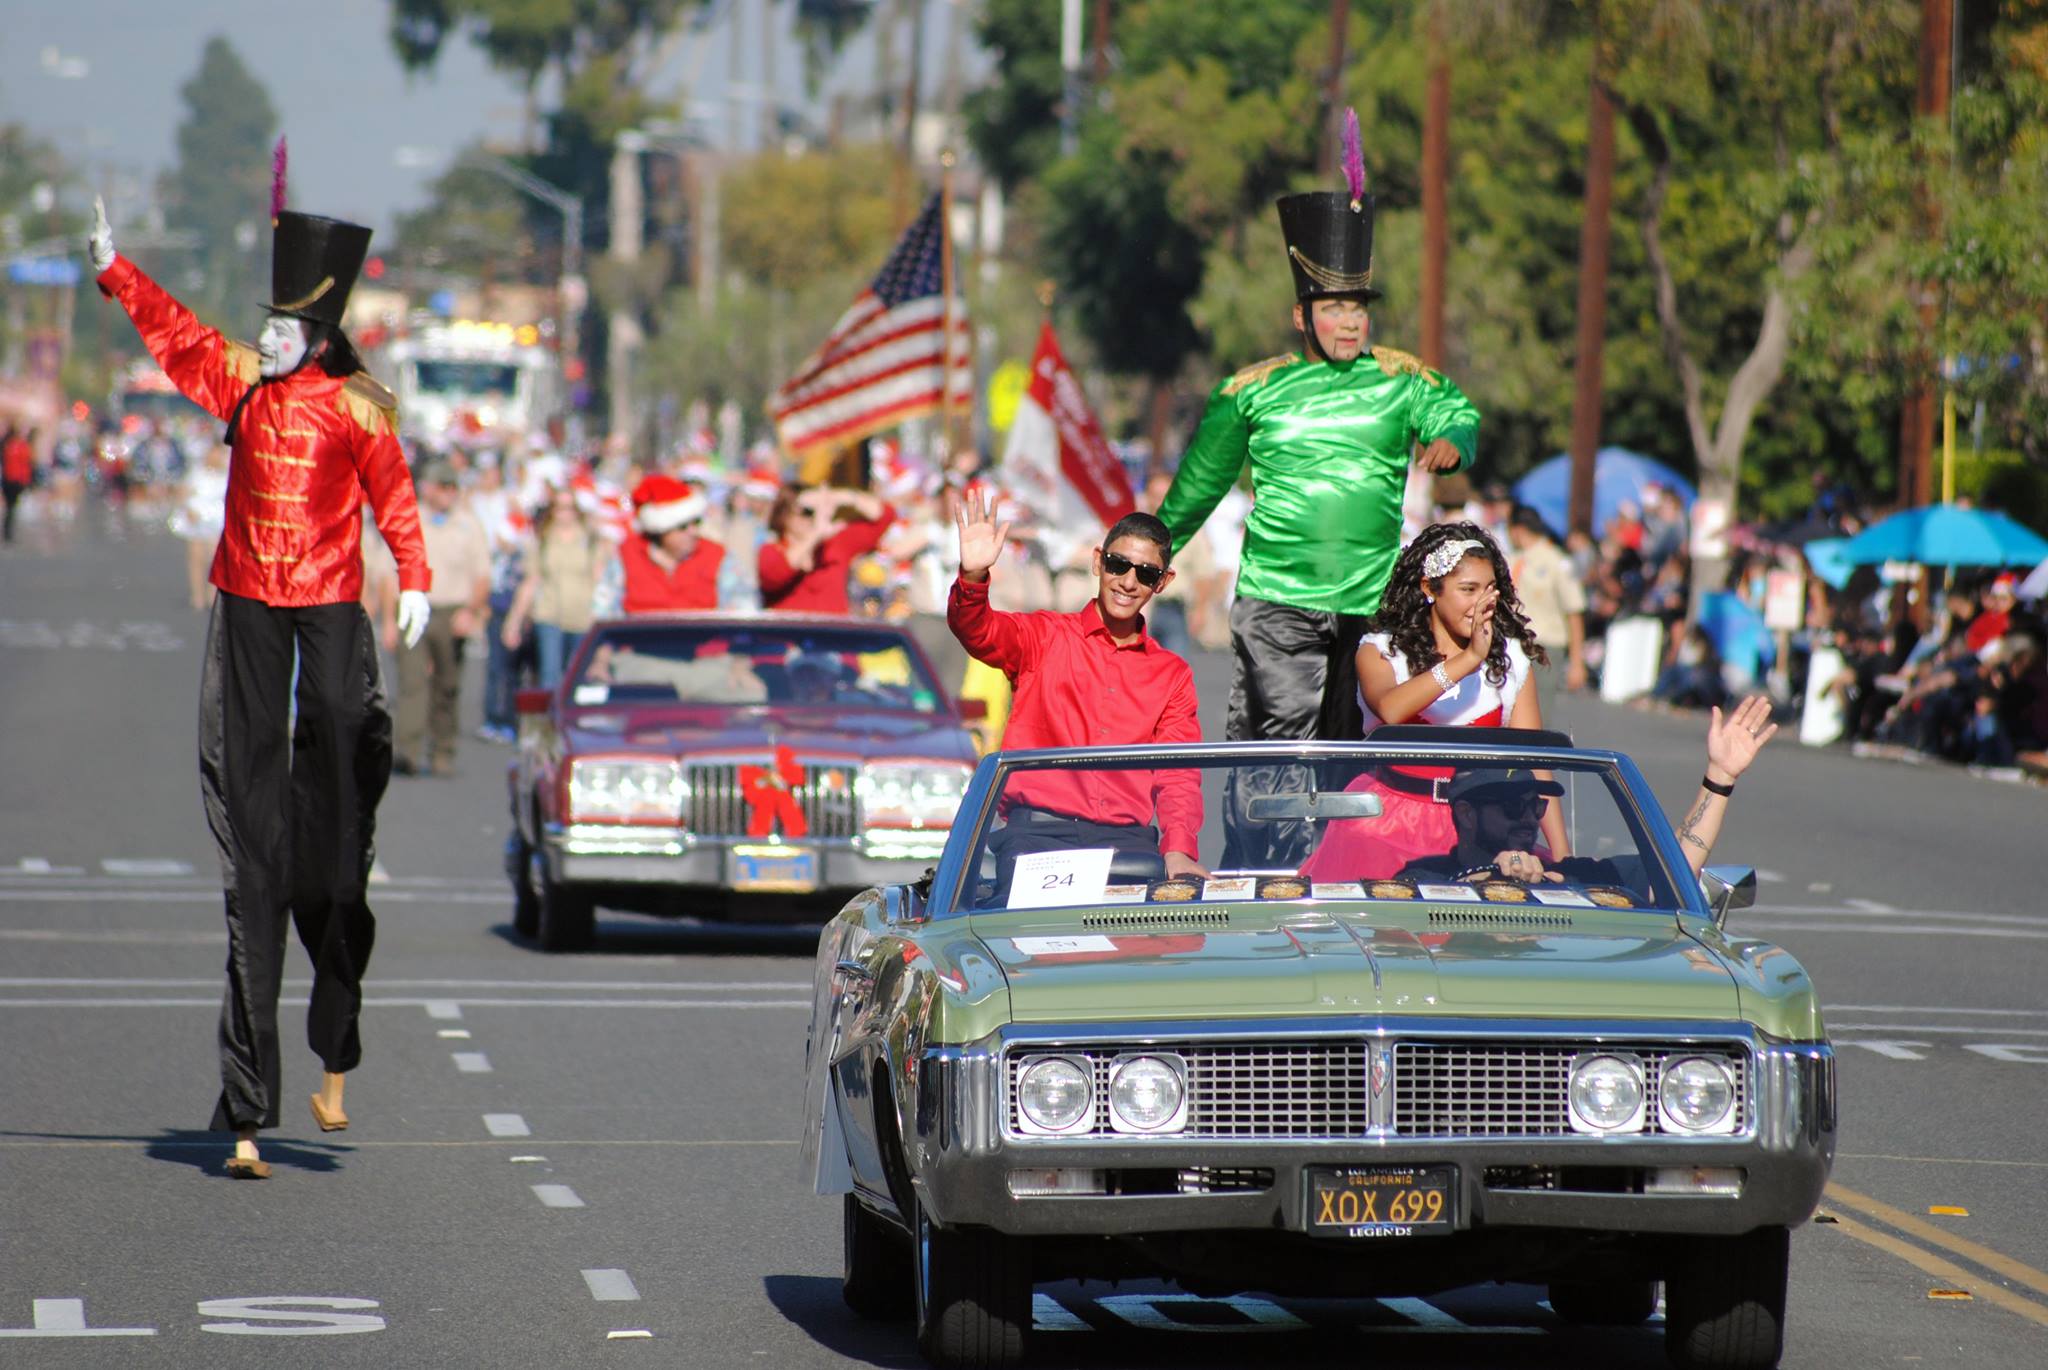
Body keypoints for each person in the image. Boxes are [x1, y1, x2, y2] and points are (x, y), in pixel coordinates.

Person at [91, 189, 431, 1178]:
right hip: (245, 596)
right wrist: (119, 270)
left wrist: (415, 576)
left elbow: (396, 499)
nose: (266, 337)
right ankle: (246, 1100)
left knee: (331, 726)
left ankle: (330, 841)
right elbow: (176, 333)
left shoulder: (358, 409)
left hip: (326, 598)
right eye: (266, 325)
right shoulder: (240, 382)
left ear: (316, 333)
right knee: (255, 839)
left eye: (282, 325)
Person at [1155, 114, 1482, 869]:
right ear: (1301, 314)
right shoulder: (1251, 390)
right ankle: (1265, 879)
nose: (1349, 321)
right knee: (1277, 753)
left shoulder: (1403, 379)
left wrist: (1451, 441)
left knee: (1365, 753)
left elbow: (1457, 412)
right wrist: (1147, 549)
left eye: (1359, 307)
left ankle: (1354, 872)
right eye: (1334, 308)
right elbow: (1198, 486)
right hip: (1279, 601)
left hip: (1374, 602)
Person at [947, 488, 1206, 899]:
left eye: (1146, 573)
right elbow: (978, 631)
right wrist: (973, 575)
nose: (1128, 581)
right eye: (1118, 565)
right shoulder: (1045, 636)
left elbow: (1178, 776)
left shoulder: (1172, 674)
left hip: (1129, 843)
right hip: (1039, 836)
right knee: (1036, 955)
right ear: (1097, 562)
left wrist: (1178, 849)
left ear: (1163, 583)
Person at [1298, 523, 1563, 881]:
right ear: (1429, 589)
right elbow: (1391, 709)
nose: (1481, 602)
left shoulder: (1511, 657)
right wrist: (1469, 658)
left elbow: (1534, 767)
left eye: (1489, 590)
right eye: (1468, 590)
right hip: (1388, 826)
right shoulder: (1382, 650)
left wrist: (1564, 857)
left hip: (1480, 830)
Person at [1399, 695, 1779, 885]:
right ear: (1466, 813)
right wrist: (1486, 877)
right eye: (1513, 806)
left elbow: (1673, 868)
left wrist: (1721, 776)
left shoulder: (1569, 878)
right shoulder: (1421, 880)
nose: (1529, 819)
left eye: (1536, 806)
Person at [393, 460, 490, 776]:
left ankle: (442, 750)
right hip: (414, 605)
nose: (448, 493)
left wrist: (470, 611)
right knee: (412, 682)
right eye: (442, 486)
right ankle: (407, 750)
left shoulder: (468, 524)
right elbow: (385, 569)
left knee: (447, 685)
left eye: (453, 487)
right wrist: (384, 620)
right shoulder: (411, 519)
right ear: (428, 488)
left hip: (452, 610)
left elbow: (482, 575)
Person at [502, 480, 608, 684]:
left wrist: (600, 617)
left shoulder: (590, 540)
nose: (564, 513)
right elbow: (530, 581)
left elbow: (600, 582)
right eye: (558, 508)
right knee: (550, 677)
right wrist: (514, 621)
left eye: (569, 508)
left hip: (583, 617)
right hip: (550, 615)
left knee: (579, 678)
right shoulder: (542, 539)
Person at [760, 484, 896, 613]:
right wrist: (816, 534)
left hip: (833, 635)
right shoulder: (771, 550)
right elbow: (775, 574)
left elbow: (884, 517)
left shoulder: (835, 545)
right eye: (806, 512)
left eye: (815, 512)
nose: (811, 518)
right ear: (784, 516)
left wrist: (839, 497)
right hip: (790, 636)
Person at [1505, 504, 1588, 693]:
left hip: (1543, 648)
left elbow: (1574, 611)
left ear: (1518, 530)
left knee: (1536, 713)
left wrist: (1577, 662)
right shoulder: (1512, 559)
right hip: (1511, 644)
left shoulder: (1558, 562)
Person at [617, 473, 722, 613]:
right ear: (660, 531)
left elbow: (739, 615)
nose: (693, 532)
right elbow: (605, 614)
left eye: (696, 522)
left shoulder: (717, 556)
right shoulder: (626, 555)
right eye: (682, 526)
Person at [169, 443, 231, 610]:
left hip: (217, 517)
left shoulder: (226, 474)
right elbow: (183, 493)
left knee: (214, 558)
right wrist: (188, 508)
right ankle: (197, 595)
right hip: (196, 515)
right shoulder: (197, 472)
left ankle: (212, 595)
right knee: (196, 558)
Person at [2, 423, 33, 542]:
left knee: (11, 507)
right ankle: (8, 532)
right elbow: (26, 465)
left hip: (11, 479)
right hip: (14, 480)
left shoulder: (9, 445)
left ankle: (8, 531)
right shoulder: (19, 446)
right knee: (11, 507)